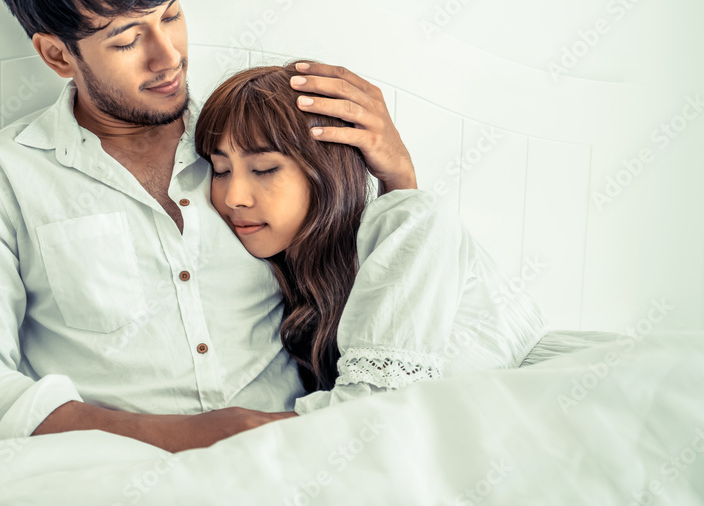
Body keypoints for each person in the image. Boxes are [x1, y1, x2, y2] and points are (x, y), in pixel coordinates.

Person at [0, 0, 419, 452]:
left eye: (171, 15)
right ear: (57, 56)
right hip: (111, 477)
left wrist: (399, 181)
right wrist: (179, 437)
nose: (167, 55)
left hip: (293, 461)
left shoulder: (262, 142)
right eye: (127, 39)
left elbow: (379, 301)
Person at [194, 62, 553, 412]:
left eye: (264, 168)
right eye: (221, 170)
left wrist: (192, 428)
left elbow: (373, 412)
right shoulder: (293, 286)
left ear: (326, 172)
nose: (233, 197)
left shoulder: (416, 221)